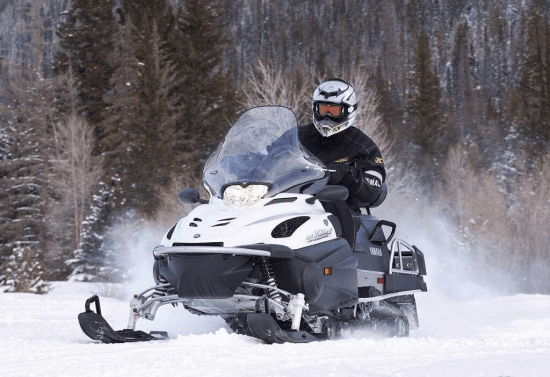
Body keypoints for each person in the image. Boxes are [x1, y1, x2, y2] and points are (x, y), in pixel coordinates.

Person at [299, 78, 386, 248]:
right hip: (294, 201)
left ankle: (343, 261)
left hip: (335, 208)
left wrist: (350, 176)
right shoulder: (298, 136)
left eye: (334, 110)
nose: (327, 116)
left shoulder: (364, 146)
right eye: (323, 109)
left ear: (348, 111)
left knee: (332, 201)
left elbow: (374, 186)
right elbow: (273, 153)